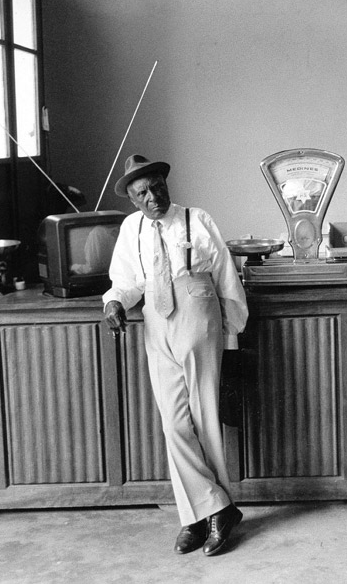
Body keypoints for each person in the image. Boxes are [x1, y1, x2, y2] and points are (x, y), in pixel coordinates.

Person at [102, 155, 248, 557]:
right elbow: (127, 282)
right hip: (156, 322)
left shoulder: (197, 219)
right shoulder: (131, 229)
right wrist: (114, 303)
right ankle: (216, 508)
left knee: (205, 418)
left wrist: (232, 333)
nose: (153, 198)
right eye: (142, 193)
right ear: (132, 199)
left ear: (167, 185)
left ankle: (201, 517)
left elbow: (226, 278)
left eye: (157, 188)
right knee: (173, 424)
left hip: (199, 315)